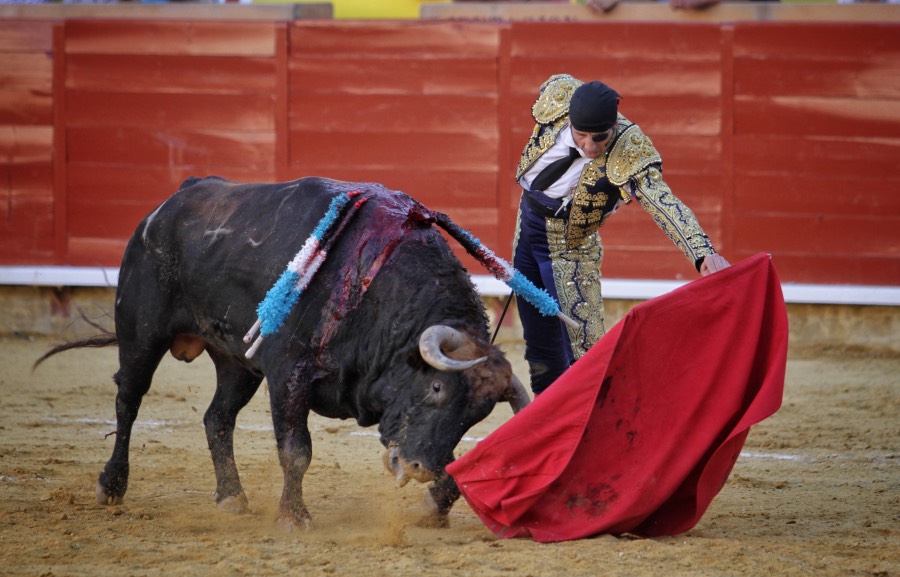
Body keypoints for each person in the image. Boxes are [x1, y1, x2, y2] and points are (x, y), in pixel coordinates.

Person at [512, 74, 730, 395]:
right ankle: (547, 414)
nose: (589, 146)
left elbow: (663, 202)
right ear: (569, 119)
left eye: (600, 137)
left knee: (585, 350)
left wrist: (701, 251)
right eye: (581, 135)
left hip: (568, 246)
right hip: (526, 225)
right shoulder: (559, 98)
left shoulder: (629, 149)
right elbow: (551, 82)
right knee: (538, 338)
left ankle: (594, 417)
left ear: (613, 126)